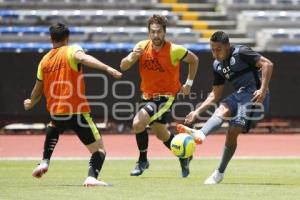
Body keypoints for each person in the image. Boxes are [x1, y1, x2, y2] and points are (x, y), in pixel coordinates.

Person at [23, 22, 122, 187]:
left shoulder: (44, 61)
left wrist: (31, 102)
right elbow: (83, 58)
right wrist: (107, 68)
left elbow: (37, 90)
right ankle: (91, 177)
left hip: (57, 111)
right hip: (77, 111)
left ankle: (45, 161)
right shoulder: (71, 50)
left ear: (50, 38)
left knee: (53, 126)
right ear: (67, 38)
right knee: (100, 151)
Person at [177, 31, 273, 184]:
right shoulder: (217, 65)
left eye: (218, 49)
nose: (215, 53)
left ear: (227, 46)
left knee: (233, 130)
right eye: (212, 49)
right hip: (241, 95)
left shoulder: (241, 52)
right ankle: (201, 134)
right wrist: (197, 111)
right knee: (222, 109)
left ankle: (219, 172)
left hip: (257, 97)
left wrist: (262, 89)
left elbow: (267, 64)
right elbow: (215, 94)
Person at [120, 15, 199, 177]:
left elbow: (194, 60)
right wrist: (132, 57)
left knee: (137, 123)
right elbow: (123, 66)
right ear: (149, 32)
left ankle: (142, 161)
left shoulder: (174, 49)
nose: (156, 36)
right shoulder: (142, 46)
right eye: (153, 32)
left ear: (165, 32)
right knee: (160, 132)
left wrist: (188, 84)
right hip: (147, 95)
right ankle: (185, 156)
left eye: (159, 32)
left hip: (165, 96)